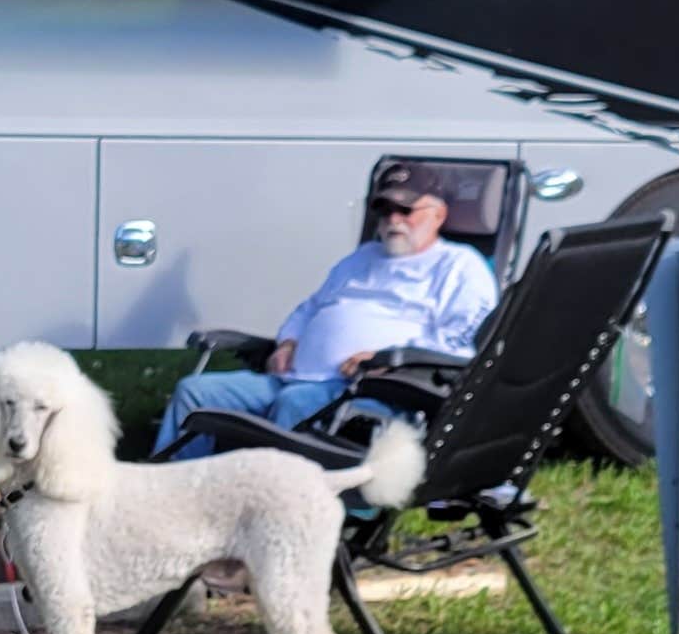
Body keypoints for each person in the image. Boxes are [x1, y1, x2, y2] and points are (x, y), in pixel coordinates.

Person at [153, 162, 501, 459]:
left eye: (406, 210)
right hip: (294, 377)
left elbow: (464, 342)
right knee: (195, 392)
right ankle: (172, 500)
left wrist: (391, 358)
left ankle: (272, 511)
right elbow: (311, 308)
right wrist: (288, 341)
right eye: (384, 210)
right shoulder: (362, 258)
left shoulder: (459, 267)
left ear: (438, 214)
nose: (393, 220)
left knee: (296, 404)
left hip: (369, 391)